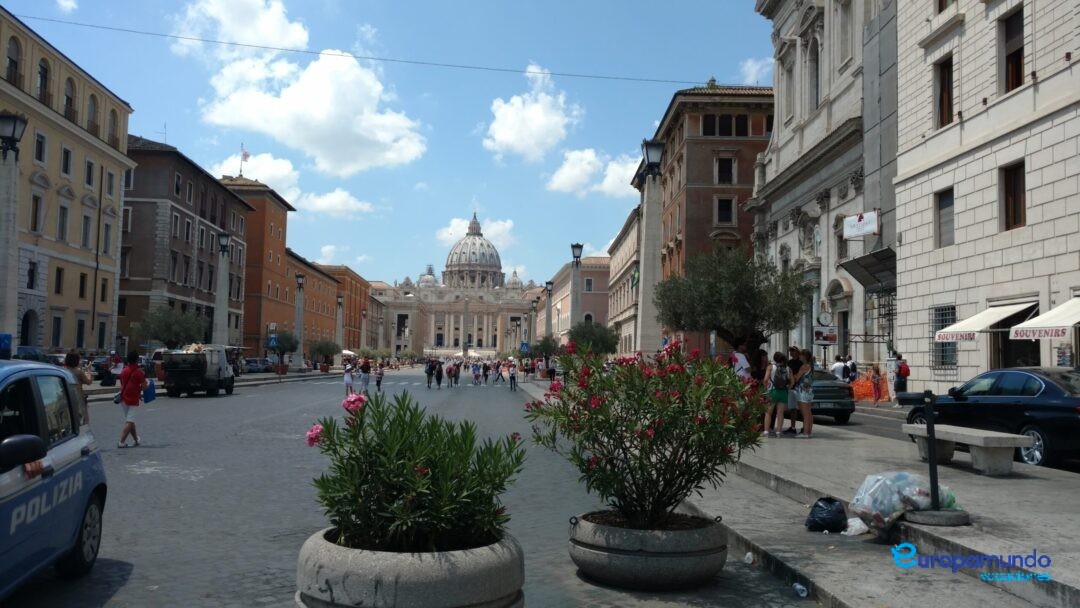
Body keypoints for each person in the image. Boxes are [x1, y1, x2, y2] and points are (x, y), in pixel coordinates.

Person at [118, 351, 148, 448]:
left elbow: (123, 384)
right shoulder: (139, 372)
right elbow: (144, 387)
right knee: (130, 421)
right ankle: (121, 442)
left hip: (123, 397)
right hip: (133, 398)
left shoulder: (124, 370)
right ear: (137, 359)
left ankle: (136, 439)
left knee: (130, 420)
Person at [762, 352, 790, 438]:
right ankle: (778, 432)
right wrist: (787, 389)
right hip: (783, 392)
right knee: (780, 413)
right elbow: (792, 381)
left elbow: (766, 380)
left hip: (772, 391)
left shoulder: (770, 367)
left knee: (768, 412)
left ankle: (766, 431)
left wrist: (765, 388)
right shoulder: (788, 368)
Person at [65, 351, 93, 426]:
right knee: (85, 418)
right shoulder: (78, 372)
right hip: (78, 397)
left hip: (65, 396)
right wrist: (89, 370)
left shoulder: (63, 370)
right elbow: (89, 382)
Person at [792, 349, 815, 438]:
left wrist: (792, 375)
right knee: (809, 413)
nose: (799, 357)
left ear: (804, 356)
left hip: (802, 392)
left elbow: (797, 378)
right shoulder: (810, 366)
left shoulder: (804, 366)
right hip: (808, 391)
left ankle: (805, 433)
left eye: (801, 355)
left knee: (805, 414)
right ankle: (809, 431)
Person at [783, 347, 803, 434]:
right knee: (792, 408)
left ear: (797, 352)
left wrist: (794, 377)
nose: (791, 352)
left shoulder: (801, 362)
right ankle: (793, 426)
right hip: (791, 387)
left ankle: (804, 427)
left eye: (793, 350)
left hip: (799, 387)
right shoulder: (789, 362)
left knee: (802, 409)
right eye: (790, 350)